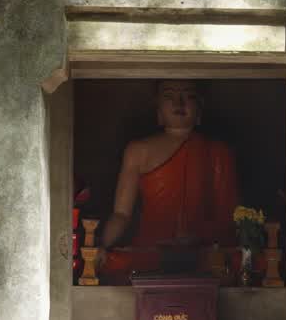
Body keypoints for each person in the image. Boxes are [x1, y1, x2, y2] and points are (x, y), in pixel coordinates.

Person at [98, 80, 239, 282]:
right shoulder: (139, 151)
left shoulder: (218, 153)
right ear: (158, 109)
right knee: (113, 261)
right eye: (169, 96)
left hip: (202, 252)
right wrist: (102, 246)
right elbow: (121, 214)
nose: (178, 103)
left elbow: (228, 220)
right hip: (150, 252)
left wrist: (197, 235)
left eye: (188, 96)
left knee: (239, 260)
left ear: (200, 108)